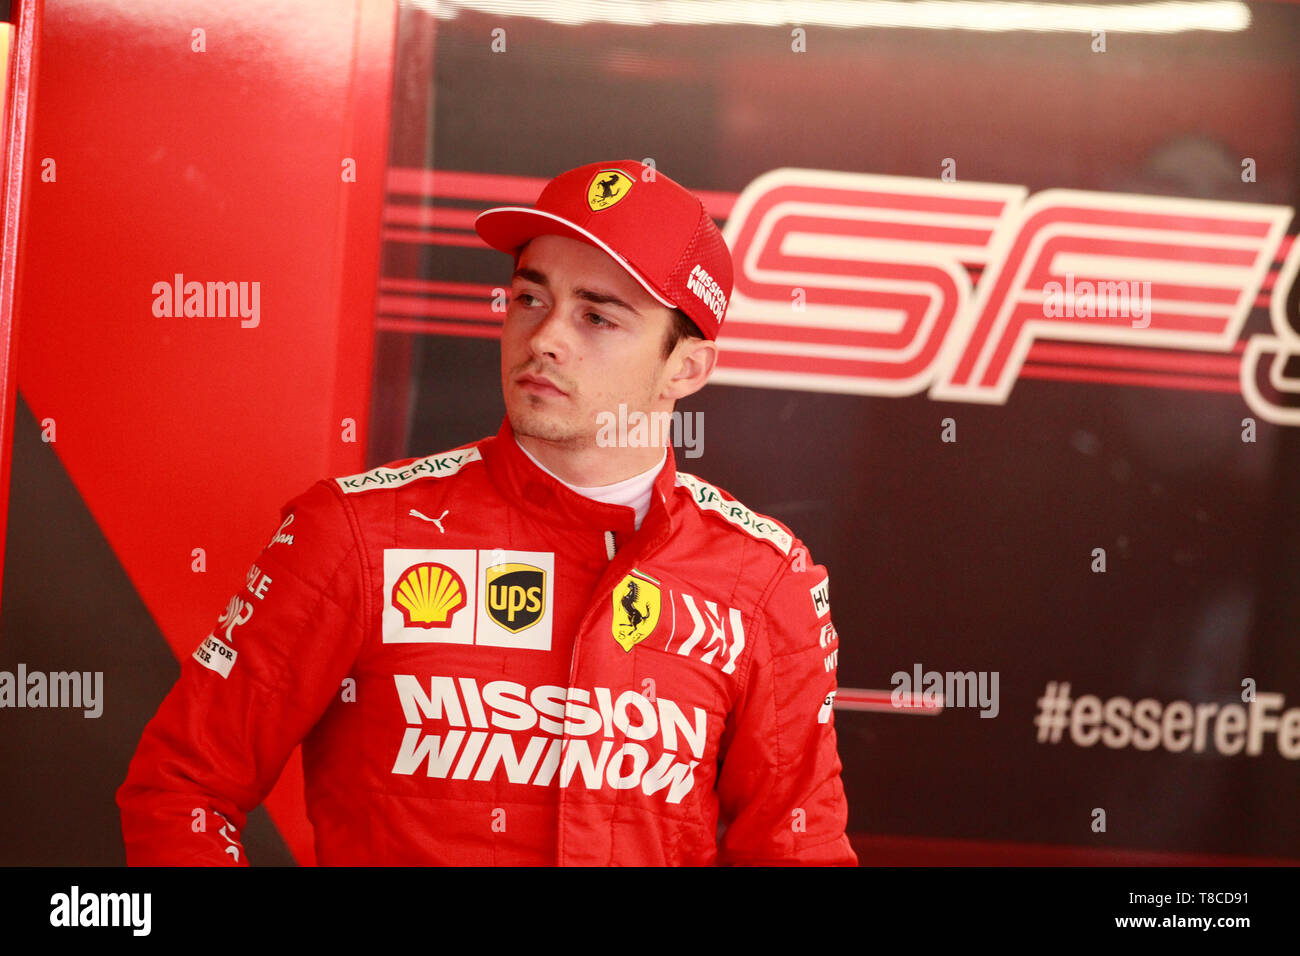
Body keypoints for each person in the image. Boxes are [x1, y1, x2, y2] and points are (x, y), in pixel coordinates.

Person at [117, 159, 856, 866]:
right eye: (531, 298)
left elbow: (796, 850)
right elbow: (181, 788)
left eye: (598, 317)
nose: (545, 338)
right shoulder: (354, 534)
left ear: (686, 368)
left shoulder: (762, 581)